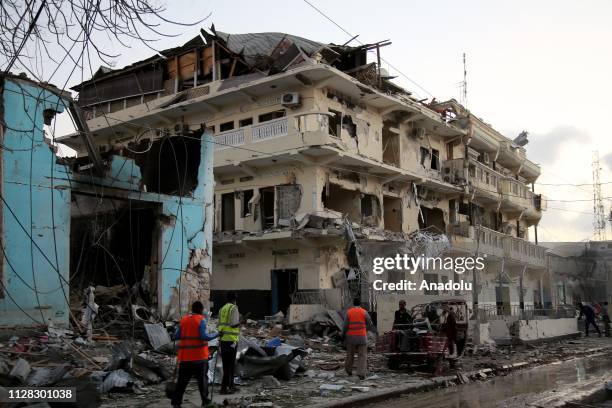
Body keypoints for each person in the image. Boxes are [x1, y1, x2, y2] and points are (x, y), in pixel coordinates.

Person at [172, 301, 218, 408]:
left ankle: (176, 403)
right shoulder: (201, 320)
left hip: (185, 358)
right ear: (201, 310)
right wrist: (217, 334)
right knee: (202, 382)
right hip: (199, 358)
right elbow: (204, 337)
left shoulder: (184, 320)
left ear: (192, 309)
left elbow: (176, 336)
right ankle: (205, 401)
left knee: (182, 383)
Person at [342, 298, 375, 380]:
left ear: (353, 303)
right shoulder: (364, 312)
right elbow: (370, 323)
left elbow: (345, 325)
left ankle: (348, 370)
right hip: (361, 337)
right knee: (362, 355)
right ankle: (361, 373)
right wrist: (365, 329)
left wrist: (343, 334)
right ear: (360, 304)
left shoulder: (349, 312)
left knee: (350, 354)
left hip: (351, 337)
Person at [218, 292, 240, 395]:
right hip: (231, 340)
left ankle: (231, 385)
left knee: (226, 364)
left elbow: (220, 324)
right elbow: (234, 324)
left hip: (223, 340)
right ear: (234, 299)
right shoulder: (234, 308)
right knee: (230, 365)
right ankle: (224, 388)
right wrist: (240, 322)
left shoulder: (222, 309)